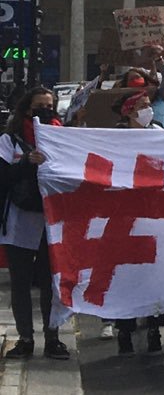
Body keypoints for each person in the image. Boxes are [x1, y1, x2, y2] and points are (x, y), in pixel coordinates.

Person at [0, 88, 68, 361]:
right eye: (40, 106)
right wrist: (28, 162)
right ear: (27, 109)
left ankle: (52, 338)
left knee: (51, 283)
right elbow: (3, 177)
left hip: (51, 222)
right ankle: (26, 338)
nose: (45, 110)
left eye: (50, 105)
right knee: (21, 284)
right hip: (19, 221)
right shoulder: (9, 140)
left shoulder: (62, 138)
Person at [110, 91, 164, 355]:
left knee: (154, 275)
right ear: (129, 112)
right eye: (143, 106)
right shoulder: (115, 137)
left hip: (154, 214)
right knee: (126, 274)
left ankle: (155, 327)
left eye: (149, 105)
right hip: (125, 215)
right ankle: (125, 327)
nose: (149, 110)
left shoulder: (159, 133)